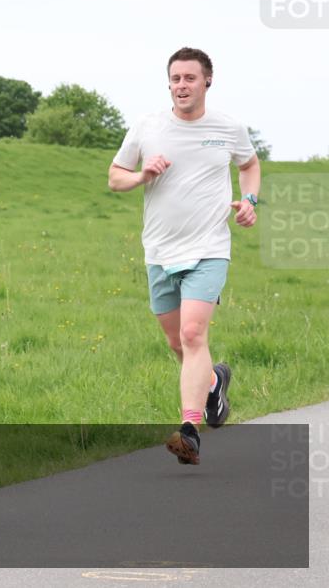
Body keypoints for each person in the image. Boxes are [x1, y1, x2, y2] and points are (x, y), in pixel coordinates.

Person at [108, 47, 260, 465]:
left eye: (190, 78)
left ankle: (190, 430)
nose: (181, 85)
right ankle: (213, 382)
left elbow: (249, 164)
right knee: (177, 343)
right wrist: (142, 174)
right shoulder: (148, 126)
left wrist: (249, 200)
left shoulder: (228, 127)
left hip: (209, 247)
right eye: (175, 78)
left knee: (194, 335)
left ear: (207, 81)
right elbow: (115, 177)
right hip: (159, 250)